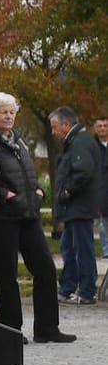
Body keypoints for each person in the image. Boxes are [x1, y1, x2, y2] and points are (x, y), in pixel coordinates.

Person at [0, 93, 74, 343]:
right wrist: (7, 195)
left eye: (12, 111)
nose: (9, 115)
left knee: (45, 269)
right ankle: (11, 332)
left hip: (29, 214)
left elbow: (29, 171)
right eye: (3, 111)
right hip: (4, 216)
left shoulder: (19, 141)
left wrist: (39, 190)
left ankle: (47, 328)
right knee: (7, 276)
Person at [49, 105, 100, 306]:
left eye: (54, 127)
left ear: (66, 125)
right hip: (74, 208)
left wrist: (65, 192)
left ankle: (87, 291)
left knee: (82, 249)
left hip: (79, 207)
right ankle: (67, 288)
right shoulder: (76, 141)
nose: (52, 132)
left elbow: (83, 172)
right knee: (69, 249)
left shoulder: (80, 142)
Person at [93, 115, 108, 258]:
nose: (103, 128)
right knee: (103, 224)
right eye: (100, 126)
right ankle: (106, 252)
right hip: (100, 190)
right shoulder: (92, 146)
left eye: (105, 125)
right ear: (95, 128)